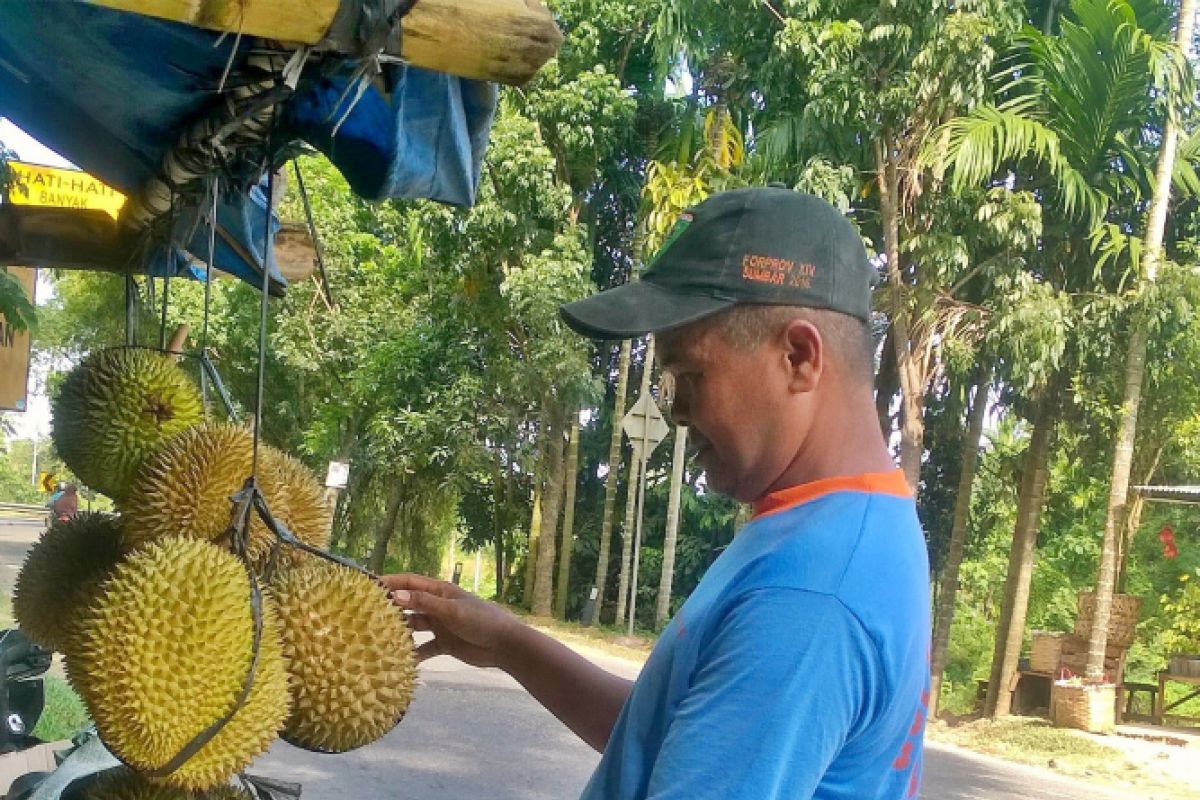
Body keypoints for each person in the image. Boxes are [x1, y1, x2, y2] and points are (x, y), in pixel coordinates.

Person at [383, 187, 930, 799]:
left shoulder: (806, 595)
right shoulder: (852, 527)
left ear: (799, 357)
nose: (678, 411)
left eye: (690, 375)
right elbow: (673, 739)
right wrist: (509, 643)